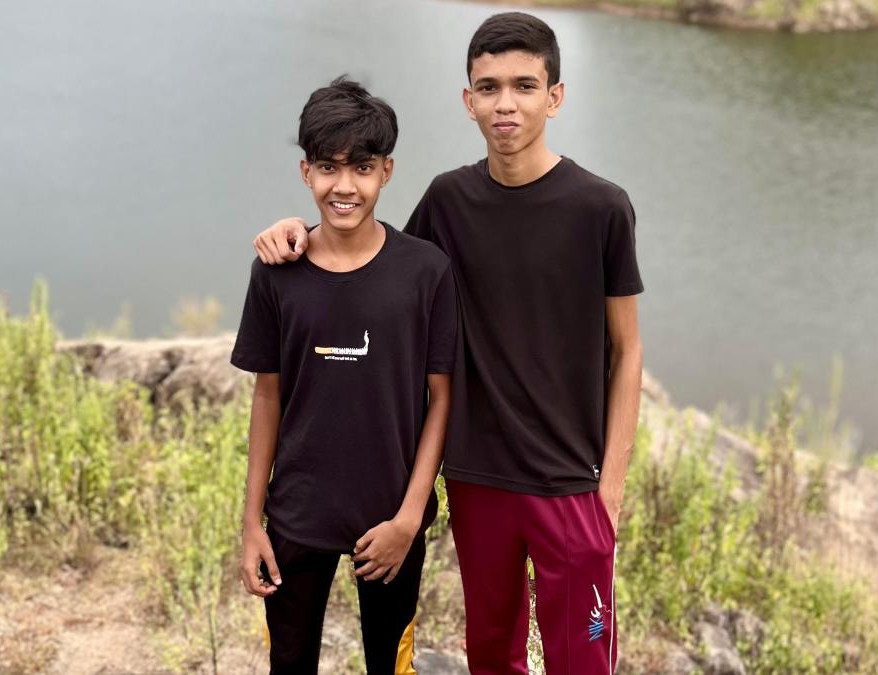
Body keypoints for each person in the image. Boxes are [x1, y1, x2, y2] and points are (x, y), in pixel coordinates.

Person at [250, 13, 644, 674]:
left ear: (556, 96)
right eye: (488, 87)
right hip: (477, 477)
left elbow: (627, 350)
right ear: (468, 101)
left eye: (525, 85)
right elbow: (368, 255)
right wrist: (292, 232)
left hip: (572, 479)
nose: (506, 103)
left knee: (582, 657)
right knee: (491, 652)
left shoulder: (601, 208)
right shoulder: (447, 200)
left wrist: (612, 487)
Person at [232, 76, 459, 675]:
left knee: (392, 664)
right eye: (329, 169)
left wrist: (410, 519)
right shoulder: (277, 273)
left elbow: (442, 400)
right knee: (289, 662)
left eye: (361, 168)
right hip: (296, 517)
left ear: (386, 171)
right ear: (306, 173)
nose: (345, 186)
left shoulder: (425, 271)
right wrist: (253, 522)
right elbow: (267, 397)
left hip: (388, 520)